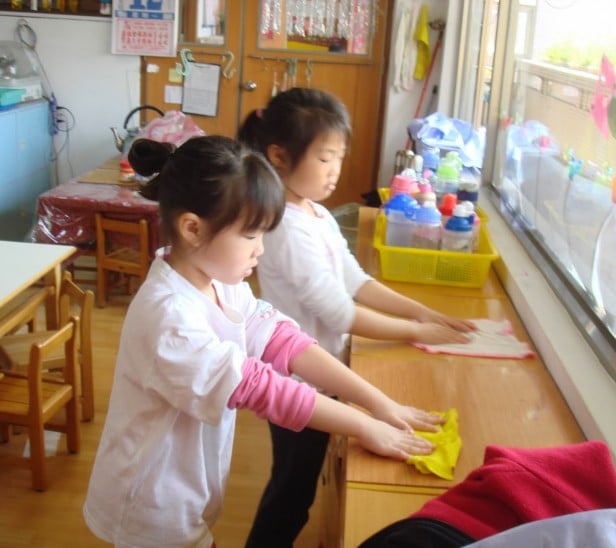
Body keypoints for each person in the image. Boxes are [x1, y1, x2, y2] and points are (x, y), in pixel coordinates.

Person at [82, 136, 443, 548]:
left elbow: (283, 341)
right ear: (193, 228)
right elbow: (261, 387)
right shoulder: (169, 319)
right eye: (251, 235)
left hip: (183, 491)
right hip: (150, 501)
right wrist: (364, 426)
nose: (261, 249)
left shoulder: (218, 282)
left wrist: (378, 402)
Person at [238, 87, 476, 547]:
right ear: (279, 156)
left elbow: (356, 280)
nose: (335, 171)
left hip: (324, 371)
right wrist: (415, 330)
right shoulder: (286, 227)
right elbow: (341, 312)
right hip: (299, 380)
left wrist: (422, 311)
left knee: (295, 488)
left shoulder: (317, 215)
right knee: (291, 492)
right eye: (325, 159)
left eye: (339, 158)